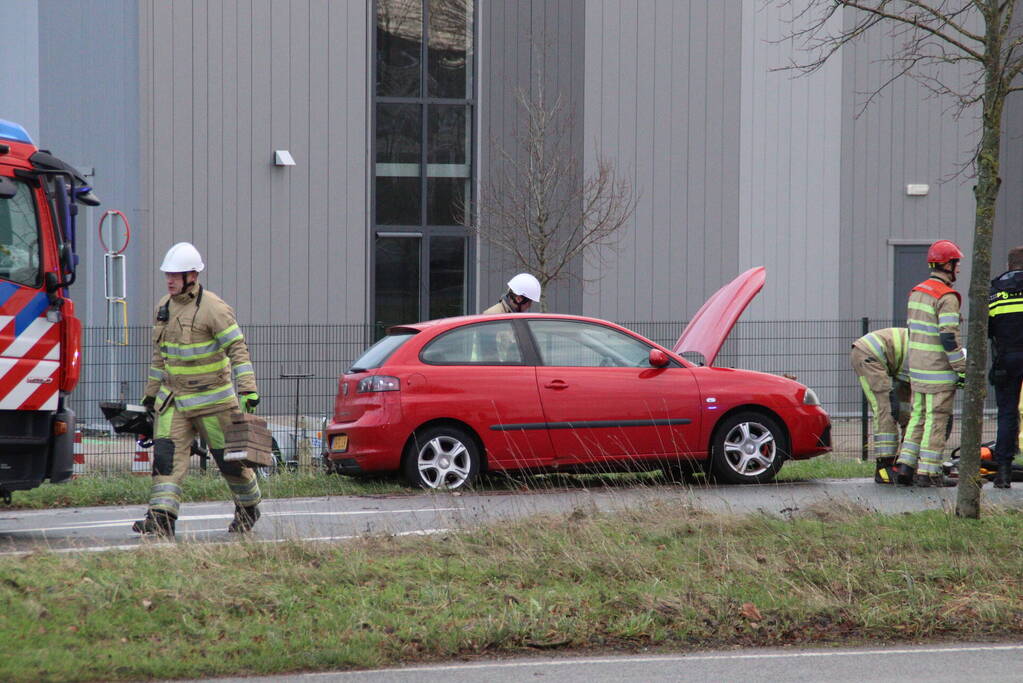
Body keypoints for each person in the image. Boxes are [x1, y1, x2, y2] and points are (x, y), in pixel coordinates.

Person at [132, 242, 262, 537]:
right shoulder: (163, 308)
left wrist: (248, 389)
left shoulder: (214, 308)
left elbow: (237, 349)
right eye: (167, 275)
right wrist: (151, 393)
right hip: (174, 402)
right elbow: (159, 357)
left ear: (192, 276)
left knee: (231, 463)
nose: (169, 280)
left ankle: (248, 507)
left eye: (175, 275)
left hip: (213, 404)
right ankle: (161, 518)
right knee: (166, 460)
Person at [895, 239, 966, 487]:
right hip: (938, 371)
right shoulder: (947, 297)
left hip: (917, 369)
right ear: (947, 264)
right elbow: (948, 336)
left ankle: (905, 466)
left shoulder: (917, 291)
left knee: (917, 418)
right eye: (956, 264)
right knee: (936, 421)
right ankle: (929, 473)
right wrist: (961, 367)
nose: (958, 269)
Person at [850, 327, 911, 483]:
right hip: (869, 356)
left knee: (905, 411)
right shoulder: (923, 352)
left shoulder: (925, 343)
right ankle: (884, 467)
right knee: (886, 408)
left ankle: (899, 462)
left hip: (873, 355)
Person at [987, 246, 1023, 489]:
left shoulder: (994, 291)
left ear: (1009, 265)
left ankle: (1003, 472)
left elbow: (987, 331)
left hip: (1006, 359)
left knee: (1007, 413)